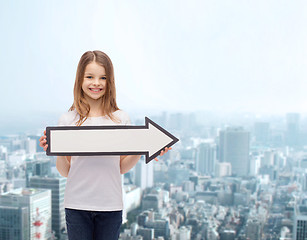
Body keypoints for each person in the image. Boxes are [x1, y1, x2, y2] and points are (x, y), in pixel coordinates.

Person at [39, 50, 171, 240]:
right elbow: (65, 171)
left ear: (110, 82)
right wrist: (57, 149)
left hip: (111, 205)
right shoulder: (68, 119)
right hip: (76, 205)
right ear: (80, 79)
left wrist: (143, 148)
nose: (96, 83)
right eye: (90, 77)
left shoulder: (121, 118)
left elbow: (121, 167)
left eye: (103, 77)